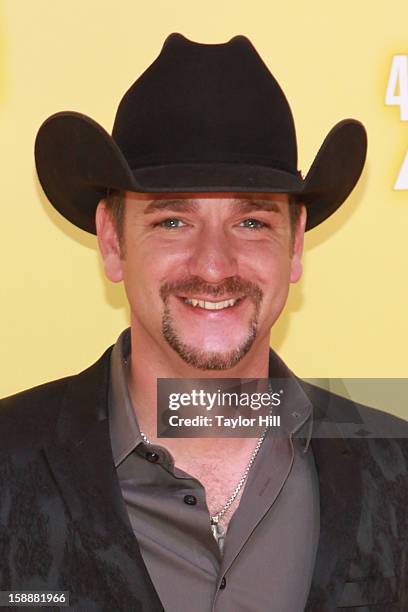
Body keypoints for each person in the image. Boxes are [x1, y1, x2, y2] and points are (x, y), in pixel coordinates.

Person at [1, 33, 407, 612]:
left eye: (251, 224)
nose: (214, 266)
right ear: (112, 242)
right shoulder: (8, 462)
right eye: (172, 222)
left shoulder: (396, 474)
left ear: (294, 250)